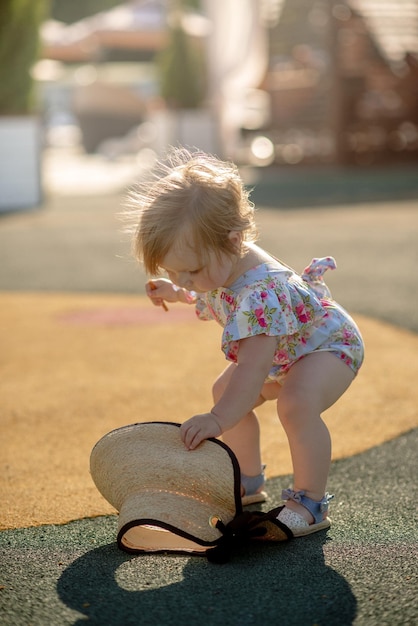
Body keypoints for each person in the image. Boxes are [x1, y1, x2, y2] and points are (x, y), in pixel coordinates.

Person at [128, 148, 364, 536]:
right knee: (224, 387)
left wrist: (218, 418)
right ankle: (249, 481)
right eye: (174, 271)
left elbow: (253, 369)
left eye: (190, 271)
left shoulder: (259, 292)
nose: (185, 279)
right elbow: (209, 291)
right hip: (289, 354)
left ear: (235, 241)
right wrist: (177, 290)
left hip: (328, 347)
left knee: (295, 403)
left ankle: (309, 502)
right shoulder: (219, 265)